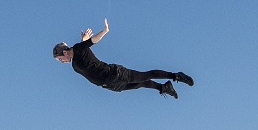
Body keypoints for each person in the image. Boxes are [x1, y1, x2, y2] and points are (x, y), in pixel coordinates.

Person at [53, 19, 193, 99]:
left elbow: (93, 41)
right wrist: (83, 41)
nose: (62, 62)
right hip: (109, 85)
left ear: (64, 52)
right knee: (140, 84)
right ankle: (164, 87)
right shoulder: (75, 61)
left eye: (60, 59)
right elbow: (85, 49)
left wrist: (104, 31)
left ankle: (176, 76)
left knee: (145, 76)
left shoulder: (78, 49)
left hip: (114, 74)